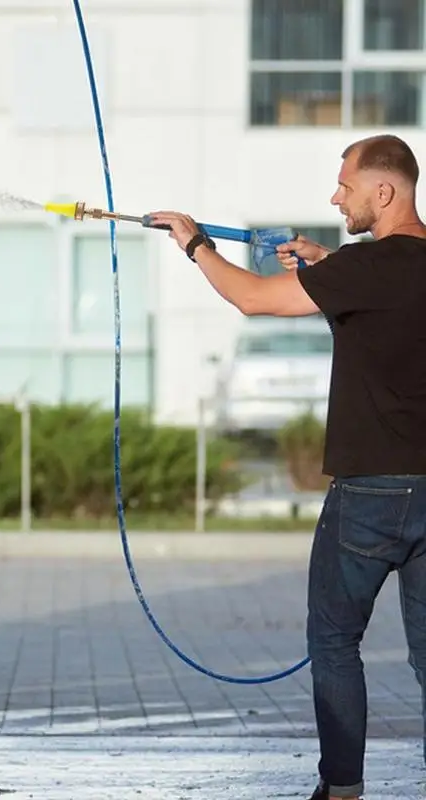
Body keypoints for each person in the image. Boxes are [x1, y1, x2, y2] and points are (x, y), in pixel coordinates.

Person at [149, 134, 426, 800]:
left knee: (333, 641)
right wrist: (327, 262)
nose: (337, 196)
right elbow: (388, 305)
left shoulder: (367, 267)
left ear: (383, 191)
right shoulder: (380, 267)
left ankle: (342, 790)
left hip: (370, 493)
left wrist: (195, 245)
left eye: (346, 186)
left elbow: (251, 297)